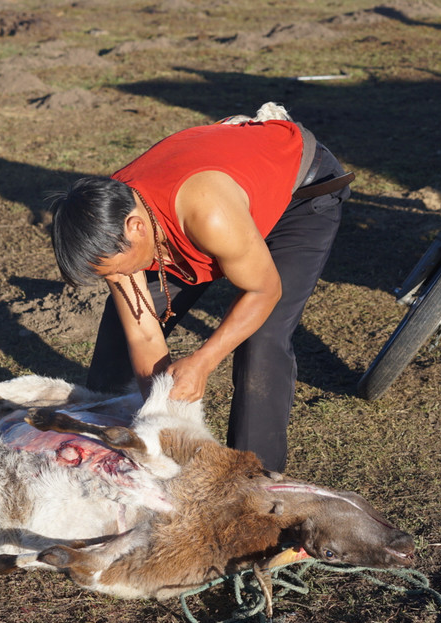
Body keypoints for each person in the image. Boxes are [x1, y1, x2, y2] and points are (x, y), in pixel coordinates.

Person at [46, 111, 352, 472]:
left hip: (300, 195)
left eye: (123, 267)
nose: (124, 276)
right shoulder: (109, 226)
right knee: (119, 339)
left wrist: (204, 361)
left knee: (261, 340)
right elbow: (144, 335)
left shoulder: (208, 215)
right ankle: (116, 452)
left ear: (136, 227)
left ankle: (256, 478)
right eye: (111, 275)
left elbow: (263, 291)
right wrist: (157, 413)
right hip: (215, 201)